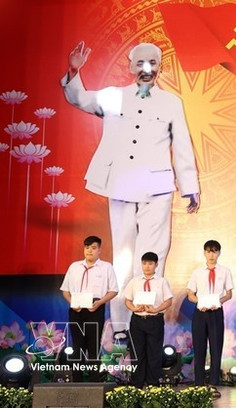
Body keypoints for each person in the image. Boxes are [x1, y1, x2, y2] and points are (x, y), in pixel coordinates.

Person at [61, 41, 200, 338]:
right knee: (124, 256)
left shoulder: (171, 102)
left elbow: (183, 144)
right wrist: (74, 70)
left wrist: (190, 186)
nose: (146, 69)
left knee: (153, 254)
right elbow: (80, 99)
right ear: (130, 66)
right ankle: (123, 325)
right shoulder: (114, 97)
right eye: (140, 63)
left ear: (160, 67)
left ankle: (149, 317)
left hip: (158, 186)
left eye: (152, 63)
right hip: (122, 182)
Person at [59, 235, 118, 382]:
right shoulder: (74, 266)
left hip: (95, 309)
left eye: (93, 248)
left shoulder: (106, 267)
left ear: (99, 250)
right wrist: (72, 302)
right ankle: (77, 380)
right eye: (87, 248)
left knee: (93, 346)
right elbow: (65, 290)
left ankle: (94, 382)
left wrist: (100, 303)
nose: (89, 251)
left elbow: (113, 290)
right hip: (76, 309)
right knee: (77, 346)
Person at [187, 240, 233, 398]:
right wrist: (200, 302)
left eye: (214, 251)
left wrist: (218, 302)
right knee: (199, 348)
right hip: (200, 312)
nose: (211, 254)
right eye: (208, 251)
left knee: (216, 347)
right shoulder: (197, 272)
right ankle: (199, 383)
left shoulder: (225, 271)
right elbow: (190, 294)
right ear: (204, 253)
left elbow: (229, 293)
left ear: (219, 253)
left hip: (216, 312)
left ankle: (214, 384)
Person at [123, 252, 173, 388]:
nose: (147, 266)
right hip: (137, 320)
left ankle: (153, 384)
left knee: (154, 353)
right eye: (144, 263)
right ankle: (137, 384)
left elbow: (168, 301)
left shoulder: (162, 281)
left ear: (156, 265)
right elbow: (127, 300)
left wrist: (156, 309)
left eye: (150, 263)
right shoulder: (134, 281)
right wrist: (134, 307)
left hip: (154, 320)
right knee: (137, 353)